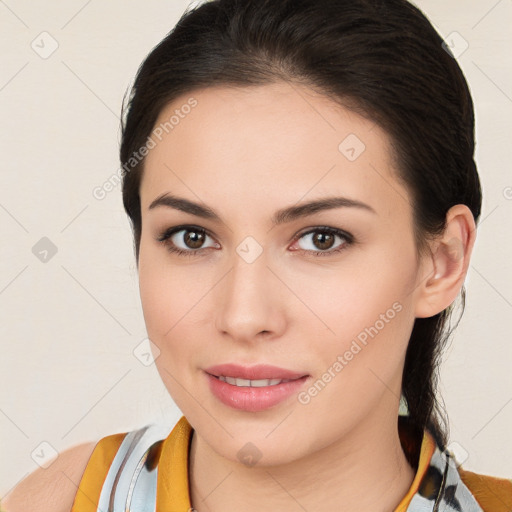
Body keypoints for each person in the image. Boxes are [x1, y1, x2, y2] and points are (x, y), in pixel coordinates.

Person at [3, 0, 511, 510]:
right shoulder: (62, 499)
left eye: (321, 239)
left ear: (442, 263)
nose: (244, 317)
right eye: (192, 237)